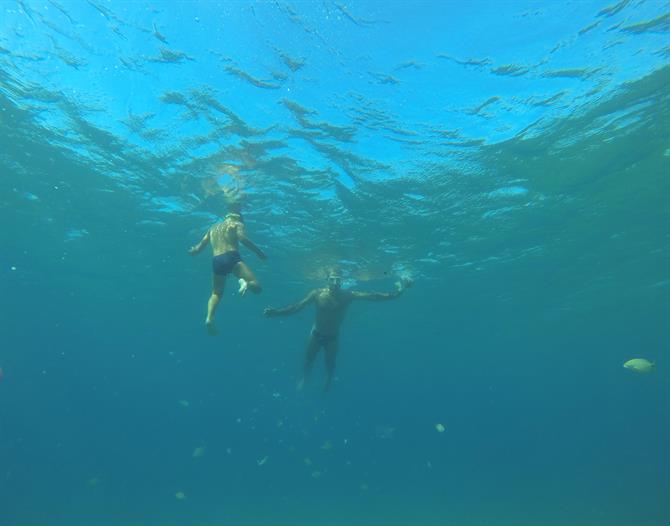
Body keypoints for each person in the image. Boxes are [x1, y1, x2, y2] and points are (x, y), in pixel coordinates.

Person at [264, 270, 413, 391]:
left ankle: (328, 380)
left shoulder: (348, 296)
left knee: (330, 363)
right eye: (332, 279)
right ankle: (304, 378)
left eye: (338, 280)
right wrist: (277, 313)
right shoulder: (317, 294)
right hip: (315, 334)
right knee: (308, 360)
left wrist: (396, 294)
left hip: (333, 337)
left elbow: (373, 296)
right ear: (327, 280)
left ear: (342, 281)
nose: (335, 283)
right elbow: (297, 307)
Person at [189, 212, 266, 334]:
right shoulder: (236, 223)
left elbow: (198, 248)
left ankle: (209, 318)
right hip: (232, 256)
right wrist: (259, 252)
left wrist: (192, 251)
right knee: (256, 287)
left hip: (217, 261)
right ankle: (245, 282)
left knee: (216, 293)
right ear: (239, 218)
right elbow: (242, 238)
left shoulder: (213, 228)